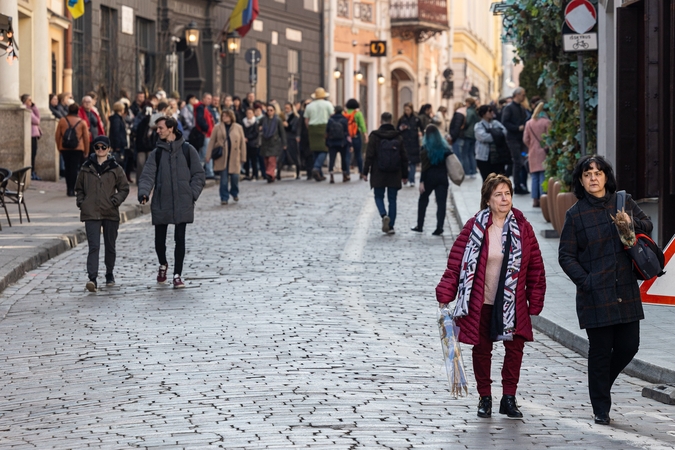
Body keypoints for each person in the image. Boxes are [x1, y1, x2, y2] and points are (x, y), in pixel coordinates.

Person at [436, 173, 546, 419]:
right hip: (481, 301)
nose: (504, 198)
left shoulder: (523, 227)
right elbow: (455, 265)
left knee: (515, 348)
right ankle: (484, 397)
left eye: (507, 194)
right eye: (498, 194)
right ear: (487, 199)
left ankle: (509, 397)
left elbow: (536, 267)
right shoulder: (474, 227)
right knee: (482, 349)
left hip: (512, 302)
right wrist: (445, 293)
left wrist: (535, 300)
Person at [558, 155, 652, 426]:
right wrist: (586, 282)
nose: (593, 178)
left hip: (624, 287)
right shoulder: (575, 215)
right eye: (587, 174)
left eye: (598, 173)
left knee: (629, 346)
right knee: (600, 352)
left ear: (606, 177)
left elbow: (648, 225)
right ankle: (601, 406)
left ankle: (601, 385)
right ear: (580, 180)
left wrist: (629, 222)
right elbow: (566, 256)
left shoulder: (623, 201)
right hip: (595, 294)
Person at [137, 116, 205, 288]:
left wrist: (191, 194)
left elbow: (199, 174)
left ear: (171, 128)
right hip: (161, 200)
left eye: (160, 128)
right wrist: (144, 193)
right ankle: (163, 263)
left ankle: (177, 275)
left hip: (183, 201)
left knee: (179, 238)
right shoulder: (156, 153)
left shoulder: (188, 150)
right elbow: (147, 175)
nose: (157, 131)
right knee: (159, 240)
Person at [75, 136, 129, 292]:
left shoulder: (116, 168)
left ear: (108, 149)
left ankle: (109, 273)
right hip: (91, 212)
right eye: (97, 147)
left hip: (110, 211)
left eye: (103, 147)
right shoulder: (86, 168)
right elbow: (78, 188)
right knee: (94, 246)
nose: (100, 150)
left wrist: (115, 200)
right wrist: (82, 202)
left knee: (110, 246)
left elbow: (124, 188)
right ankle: (92, 278)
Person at [362, 112, 409, 235]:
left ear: (380, 121)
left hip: (378, 172)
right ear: (391, 121)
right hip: (395, 172)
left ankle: (383, 215)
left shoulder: (375, 136)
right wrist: (405, 175)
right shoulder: (398, 136)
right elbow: (404, 157)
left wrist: (365, 172)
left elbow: (369, 156)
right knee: (392, 199)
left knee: (378, 196)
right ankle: (391, 226)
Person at [411, 124, 452, 236]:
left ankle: (420, 225)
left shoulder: (425, 149)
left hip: (429, 178)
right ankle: (439, 227)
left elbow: (424, 168)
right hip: (442, 178)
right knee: (441, 203)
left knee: (423, 200)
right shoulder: (445, 148)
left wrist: (421, 182)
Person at [206, 109, 246, 205]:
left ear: (231, 116)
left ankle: (234, 192)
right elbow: (212, 141)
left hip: (234, 156)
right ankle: (224, 197)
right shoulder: (217, 127)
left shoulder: (238, 127)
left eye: (226, 116)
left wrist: (243, 157)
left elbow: (242, 143)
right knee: (223, 180)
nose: (224, 117)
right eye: (223, 116)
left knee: (235, 177)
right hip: (222, 156)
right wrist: (208, 155)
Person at [56, 103, 90, 196]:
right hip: (78, 148)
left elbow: (57, 135)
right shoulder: (82, 122)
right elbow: (86, 138)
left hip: (65, 147)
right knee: (74, 168)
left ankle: (69, 188)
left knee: (67, 167)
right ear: (77, 111)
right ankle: (73, 189)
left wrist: (59, 147)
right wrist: (86, 151)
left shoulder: (62, 120)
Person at [501, 87, 529, 194]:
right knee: (517, 162)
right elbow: (505, 122)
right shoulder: (509, 108)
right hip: (513, 138)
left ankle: (519, 185)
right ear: (517, 95)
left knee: (520, 162)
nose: (524, 97)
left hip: (520, 139)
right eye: (522, 94)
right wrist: (517, 128)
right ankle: (516, 186)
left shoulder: (521, 107)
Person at [522, 102, 551, 207]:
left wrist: (531, 146)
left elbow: (525, 139)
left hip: (533, 152)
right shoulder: (547, 122)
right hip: (544, 151)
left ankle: (535, 199)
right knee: (543, 175)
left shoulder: (529, 123)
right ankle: (543, 199)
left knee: (534, 176)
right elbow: (550, 138)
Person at [304, 88, 334, 181]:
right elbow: (332, 116)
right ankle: (317, 168)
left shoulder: (309, 106)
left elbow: (306, 120)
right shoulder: (327, 104)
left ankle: (319, 173)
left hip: (312, 127)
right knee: (324, 149)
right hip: (324, 127)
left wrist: (309, 128)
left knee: (315, 149)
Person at [474, 105, 509, 181]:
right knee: (487, 181)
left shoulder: (496, 123)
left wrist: (494, 134)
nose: (492, 113)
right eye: (489, 111)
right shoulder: (478, 126)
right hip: (484, 157)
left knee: (497, 180)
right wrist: (497, 134)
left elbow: (505, 132)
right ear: (483, 114)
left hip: (498, 157)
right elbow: (483, 137)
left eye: (492, 110)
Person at [397, 102, 423, 188]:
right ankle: (406, 177)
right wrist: (401, 128)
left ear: (411, 109)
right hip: (404, 143)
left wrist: (420, 133)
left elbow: (422, 129)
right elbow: (397, 130)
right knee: (405, 162)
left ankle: (412, 180)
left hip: (414, 143)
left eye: (408, 109)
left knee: (413, 162)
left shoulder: (416, 119)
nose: (407, 111)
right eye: (405, 110)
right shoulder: (401, 119)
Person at [259, 104, 287, 183]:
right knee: (266, 160)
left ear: (274, 111)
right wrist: (259, 128)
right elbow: (257, 127)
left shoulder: (278, 120)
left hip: (274, 143)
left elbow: (282, 132)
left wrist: (284, 143)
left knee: (272, 160)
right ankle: (271, 176)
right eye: (268, 110)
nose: (269, 112)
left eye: (271, 110)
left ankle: (269, 173)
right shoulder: (263, 119)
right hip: (265, 142)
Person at [325, 105, 351, 184]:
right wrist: (350, 144)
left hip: (332, 142)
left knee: (332, 159)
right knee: (343, 159)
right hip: (342, 142)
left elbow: (327, 132)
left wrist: (327, 142)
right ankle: (344, 176)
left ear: (335, 111)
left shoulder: (330, 120)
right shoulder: (344, 119)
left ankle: (331, 177)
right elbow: (347, 132)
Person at [21, 94, 42, 180]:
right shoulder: (26, 108)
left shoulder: (31, 109)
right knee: (32, 154)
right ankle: (31, 172)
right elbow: (36, 120)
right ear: (25, 100)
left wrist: (34, 106)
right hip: (31, 135)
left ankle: (32, 172)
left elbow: (38, 117)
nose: (31, 102)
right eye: (29, 100)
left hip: (34, 134)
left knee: (34, 154)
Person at [344, 99, 367, 176]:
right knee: (358, 154)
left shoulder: (344, 113)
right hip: (356, 136)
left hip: (347, 137)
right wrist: (365, 135)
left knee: (347, 155)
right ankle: (361, 172)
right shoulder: (358, 114)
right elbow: (362, 125)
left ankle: (347, 173)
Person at [195, 93, 215, 179]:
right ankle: (201, 172)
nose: (209, 100)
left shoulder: (205, 108)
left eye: (210, 99)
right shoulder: (200, 107)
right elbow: (200, 119)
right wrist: (206, 128)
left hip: (209, 134)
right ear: (203, 99)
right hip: (205, 134)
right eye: (207, 98)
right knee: (204, 154)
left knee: (207, 153)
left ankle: (209, 172)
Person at [278, 102, 301, 180]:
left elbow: (295, 128)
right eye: (285, 108)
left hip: (292, 138)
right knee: (281, 156)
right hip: (283, 138)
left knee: (295, 156)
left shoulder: (295, 117)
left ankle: (298, 173)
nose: (286, 110)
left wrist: (288, 126)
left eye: (288, 108)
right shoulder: (282, 117)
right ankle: (278, 173)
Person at [462, 98, 480, 179]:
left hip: (468, 133)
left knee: (465, 154)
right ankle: (473, 171)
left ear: (468, 103)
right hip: (474, 134)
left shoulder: (469, 111)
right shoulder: (475, 111)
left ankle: (467, 171)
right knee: (471, 154)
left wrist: (462, 127)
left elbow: (467, 122)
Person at [242, 108, 261, 180]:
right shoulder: (243, 121)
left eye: (250, 113)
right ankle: (247, 174)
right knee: (246, 160)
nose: (249, 114)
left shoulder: (255, 122)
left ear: (253, 114)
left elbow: (256, 133)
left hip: (253, 143)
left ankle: (255, 174)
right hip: (245, 143)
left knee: (254, 160)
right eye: (247, 113)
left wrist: (248, 138)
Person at [108, 102, 128, 166]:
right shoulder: (117, 119)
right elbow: (116, 132)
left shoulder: (117, 118)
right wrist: (117, 145)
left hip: (119, 143)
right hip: (119, 144)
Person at [449, 101, 466, 168]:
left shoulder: (458, 114)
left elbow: (456, 126)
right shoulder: (462, 114)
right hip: (460, 136)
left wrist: (453, 137)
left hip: (457, 137)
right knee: (460, 155)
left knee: (458, 156)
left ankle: (459, 172)